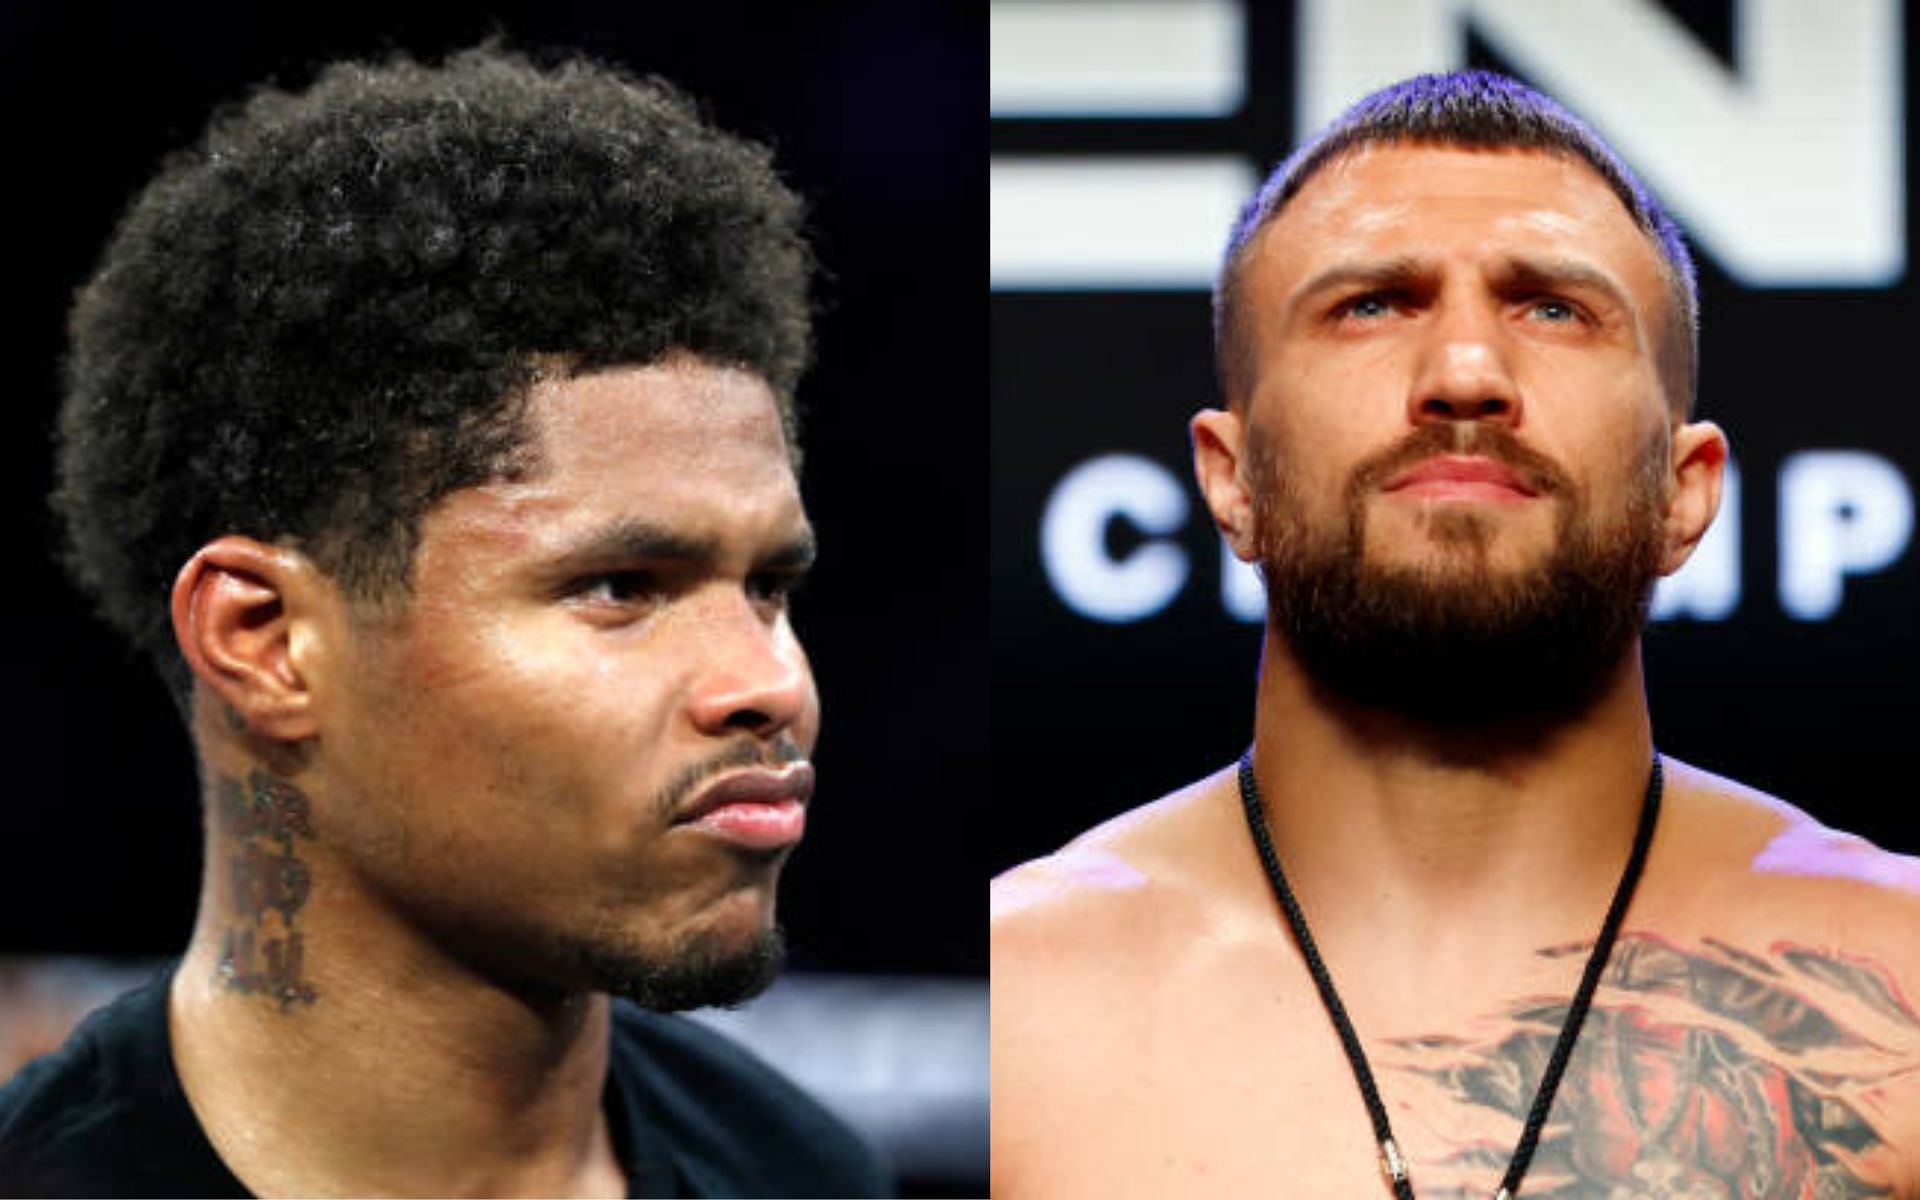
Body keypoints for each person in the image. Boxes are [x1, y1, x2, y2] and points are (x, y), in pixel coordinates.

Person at [992, 70, 1920, 1197]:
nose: (1467, 375)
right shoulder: (1024, 995)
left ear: (1689, 491)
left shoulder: (1903, 984)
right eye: (1374, 304)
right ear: (1230, 481)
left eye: (1552, 308)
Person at [0, 43, 889, 1198]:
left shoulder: (802, 1172)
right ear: (265, 641)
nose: (769, 683)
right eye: (620, 585)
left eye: (769, 587)